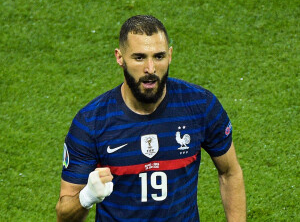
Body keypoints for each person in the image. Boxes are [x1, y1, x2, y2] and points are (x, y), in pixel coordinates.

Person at [56, 15, 246, 221]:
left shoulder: (200, 106)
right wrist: (87, 197)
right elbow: (64, 215)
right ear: (120, 58)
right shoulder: (91, 122)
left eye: (159, 56)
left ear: (170, 55)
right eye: (139, 57)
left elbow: (230, 173)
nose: (150, 69)